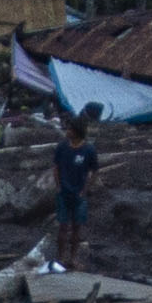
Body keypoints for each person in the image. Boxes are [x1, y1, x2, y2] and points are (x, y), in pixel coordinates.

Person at [49, 104, 104, 268]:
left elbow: (95, 171)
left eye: (70, 129)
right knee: (62, 227)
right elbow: (56, 167)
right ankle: (60, 257)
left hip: (79, 195)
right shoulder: (62, 147)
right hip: (64, 192)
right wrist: (58, 186)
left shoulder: (88, 150)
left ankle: (73, 258)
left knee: (76, 228)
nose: (67, 131)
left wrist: (85, 190)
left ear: (77, 132)